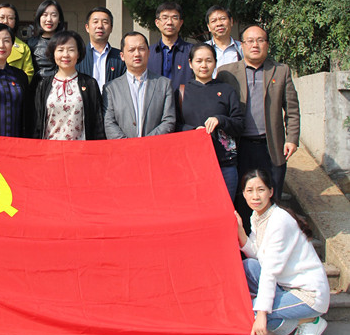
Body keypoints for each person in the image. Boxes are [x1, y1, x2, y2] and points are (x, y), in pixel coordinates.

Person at [236, 168, 329, 335]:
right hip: (285, 286)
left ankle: (309, 320)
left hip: (308, 294)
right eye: (250, 191)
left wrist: (261, 314)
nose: (255, 196)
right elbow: (258, 255)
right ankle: (277, 324)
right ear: (244, 194)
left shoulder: (279, 221)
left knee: (249, 315)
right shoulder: (258, 216)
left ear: (271, 192)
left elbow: (269, 271)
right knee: (248, 266)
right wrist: (240, 230)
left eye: (261, 190)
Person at [218, 25, 300, 222]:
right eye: (250, 41)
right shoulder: (226, 73)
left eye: (260, 40)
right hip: (239, 146)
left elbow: (291, 109)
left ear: (267, 45)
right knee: (241, 197)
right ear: (242, 45)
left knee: (272, 196)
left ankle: (271, 237)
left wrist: (292, 139)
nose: (255, 45)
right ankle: (245, 238)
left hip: (271, 146)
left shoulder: (281, 71)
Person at [177, 43, 244, 200]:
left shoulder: (227, 90)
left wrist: (220, 120)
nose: (204, 65)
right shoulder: (181, 92)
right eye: (199, 61)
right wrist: (193, 131)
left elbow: (239, 124)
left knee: (225, 207)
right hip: (191, 164)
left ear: (215, 62)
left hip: (224, 163)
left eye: (209, 60)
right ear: (190, 63)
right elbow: (174, 126)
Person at [34, 30, 105, 140]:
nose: (65, 55)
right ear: (53, 53)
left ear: (78, 53)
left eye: (71, 50)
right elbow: (36, 121)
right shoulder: (44, 84)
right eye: (60, 50)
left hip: (80, 148)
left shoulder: (90, 84)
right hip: (50, 147)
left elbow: (97, 122)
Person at [103, 32, 176, 138]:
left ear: (148, 53)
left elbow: (169, 120)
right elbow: (109, 123)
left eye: (141, 49)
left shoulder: (164, 84)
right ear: (122, 56)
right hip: (123, 147)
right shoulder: (110, 88)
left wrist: (146, 144)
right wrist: (129, 145)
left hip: (155, 146)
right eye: (131, 50)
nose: (137, 54)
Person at [76, 6, 125, 91]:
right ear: (87, 28)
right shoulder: (78, 56)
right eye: (95, 22)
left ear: (111, 28)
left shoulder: (121, 57)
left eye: (105, 22)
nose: (100, 26)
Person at [147, 1, 192, 90]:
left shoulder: (192, 51)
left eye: (174, 18)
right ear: (157, 22)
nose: (169, 22)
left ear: (181, 23)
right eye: (165, 18)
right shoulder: (148, 53)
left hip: (184, 98)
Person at [28, 0, 66, 80]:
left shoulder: (66, 42)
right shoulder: (31, 43)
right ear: (39, 18)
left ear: (59, 19)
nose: (49, 19)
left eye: (54, 15)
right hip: (38, 86)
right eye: (45, 15)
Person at [205, 5, 242, 73]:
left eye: (223, 19)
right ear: (209, 27)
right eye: (214, 21)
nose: (219, 24)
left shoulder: (242, 48)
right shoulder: (202, 49)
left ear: (231, 21)